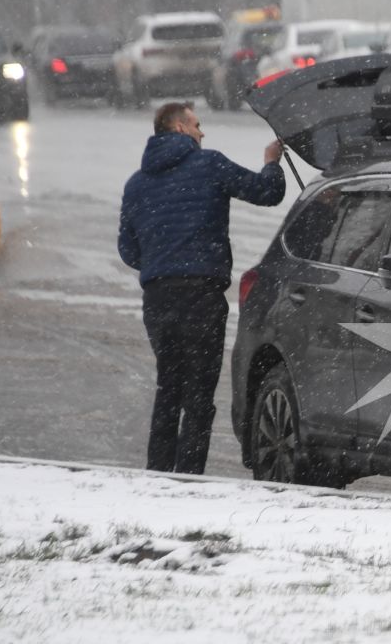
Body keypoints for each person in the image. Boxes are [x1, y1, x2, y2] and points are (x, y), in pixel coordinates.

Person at [117, 101, 285, 474]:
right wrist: (272, 161)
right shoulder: (209, 164)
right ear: (178, 129)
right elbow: (266, 193)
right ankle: (188, 479)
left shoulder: (136, 183)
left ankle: (158, 474)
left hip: (158, 298)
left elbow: (128, 249)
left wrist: (163, 263)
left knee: (169, 389)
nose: (201, 131)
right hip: (202, 296)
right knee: (198, 395)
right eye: (196, 124)